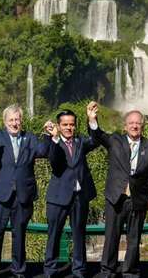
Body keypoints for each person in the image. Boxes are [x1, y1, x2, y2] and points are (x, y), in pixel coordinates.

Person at [87, 101, 148, 278]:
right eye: (131, 123)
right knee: (112, 236)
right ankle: (108, 270)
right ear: (125, 126)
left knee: (134, 238)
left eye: (138, 123)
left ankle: (130, 271)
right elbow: (98, 135)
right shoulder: (115, 141)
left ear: (142, 125)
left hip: (139, 199)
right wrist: (92, 119)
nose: (134, 126)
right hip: (116, 197)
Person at [0, 104, 52, 278]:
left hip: (22, 195)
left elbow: (42, 151)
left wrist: (49, 135)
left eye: (17, 119)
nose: (14, 123)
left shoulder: (30, 137)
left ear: (21, 121)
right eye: (11, 120)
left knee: (19, 235)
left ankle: (18, 270)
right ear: (5, 122)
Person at [44, 109, 100, 278]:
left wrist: (92, 120)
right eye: (65, 125)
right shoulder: (52, 142)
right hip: (58, 197)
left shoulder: (81, 141)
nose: (69, 128)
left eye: (72, 124)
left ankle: (79, 269)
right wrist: (53, 138)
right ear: (58, 126)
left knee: (79, 234)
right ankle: (50, 270)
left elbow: (96, 141)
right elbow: (54, 160)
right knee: (54, 234)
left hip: (79, 196)